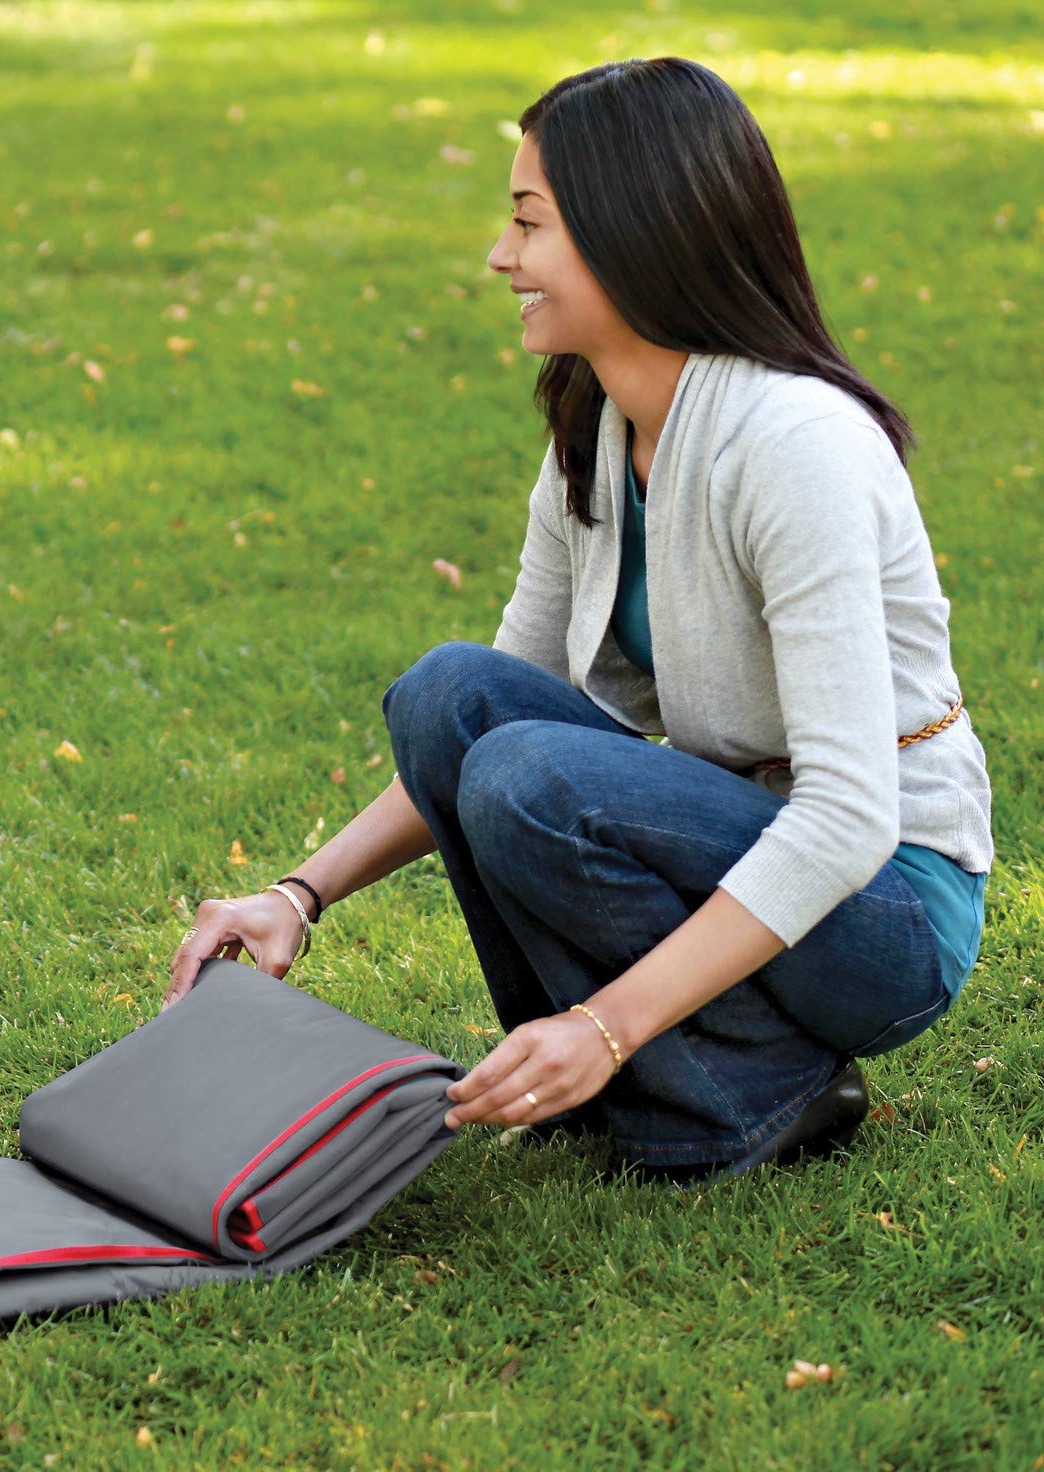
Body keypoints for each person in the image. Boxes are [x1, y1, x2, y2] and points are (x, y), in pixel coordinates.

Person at [164, 58, 993, 1184]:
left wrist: (605, 1023)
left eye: (527, 222)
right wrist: (296, 895)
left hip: (885, 904)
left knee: (530, 774)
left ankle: (742, 1085)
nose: (498, 257)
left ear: (630, 230)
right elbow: (480, 720)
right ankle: (640, 1075)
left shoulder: (798, 446)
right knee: (451, 696)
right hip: (743, 838)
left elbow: (848, 819)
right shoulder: (597, 433)